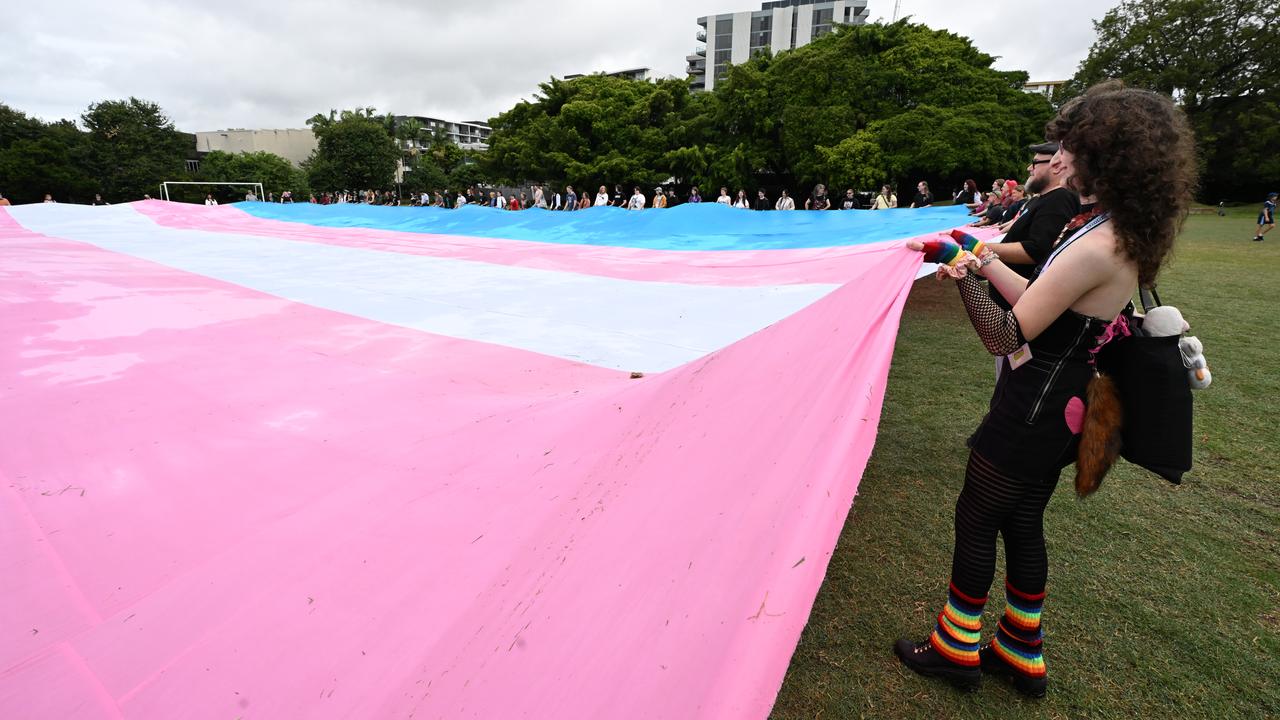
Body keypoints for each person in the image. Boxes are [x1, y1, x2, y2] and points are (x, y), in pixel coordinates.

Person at [897, 82, 1197, 698]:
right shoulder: (1118, 229)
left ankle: (956, 649)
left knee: (978, 517)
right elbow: (1040, 299)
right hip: (1063, 401)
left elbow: (1008, 333)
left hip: (1033, 403)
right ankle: (1019, 649)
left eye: (1073, 146)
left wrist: (962, 278)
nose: (1061, 157)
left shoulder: (1099, 242)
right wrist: (976, 254)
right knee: (1023, 520)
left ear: (1105, 156)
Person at [987, 142, 1082, 288]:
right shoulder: (1041, 198)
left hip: (1021, 298)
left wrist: (980, 249)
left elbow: (1037, 250)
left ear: (1056, 165)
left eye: (1035, 162)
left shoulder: (1060, 198)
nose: (1029, 168)